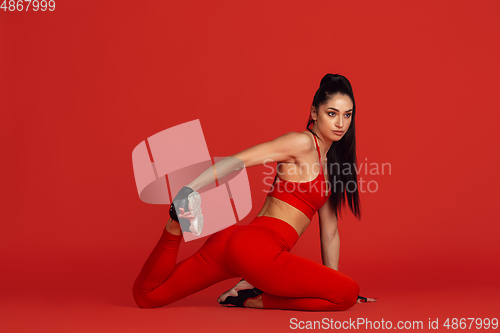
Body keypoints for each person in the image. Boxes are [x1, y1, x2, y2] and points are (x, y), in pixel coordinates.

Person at [132, 73, 377, 310]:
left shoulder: (333, 166)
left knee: (148, 297)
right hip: (259, 250)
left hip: (233, 242)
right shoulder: (302, 143)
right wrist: (189, 189)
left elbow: (330, 232)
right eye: (332, 113)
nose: (340, 123)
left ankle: (174, 227)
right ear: (314, 113)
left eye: (347, 115)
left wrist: (331, 282)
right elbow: (238, 160)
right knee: (347, 294)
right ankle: (252, 300)